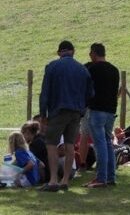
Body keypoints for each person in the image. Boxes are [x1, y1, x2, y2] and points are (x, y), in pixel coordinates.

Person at [38, 40, 94, 192]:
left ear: (59, 53)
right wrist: (82, 108)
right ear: (73, 52)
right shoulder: (82, 69)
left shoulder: (52, 67)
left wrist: (43, 114)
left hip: (58, 109)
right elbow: (90, 94)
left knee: (51, 144)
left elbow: (45, 92)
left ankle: (53, 180)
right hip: (76, 112)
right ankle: (65, 180)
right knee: (70, 145)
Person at [84, 43, 121, 188]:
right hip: (110, 111)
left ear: (94, 53)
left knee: (99, 144)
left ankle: (101, 177)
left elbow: (88, 88)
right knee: (107, 143)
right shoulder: (114, 70)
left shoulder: (93, 69)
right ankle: (111, 176)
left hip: (97, 109)